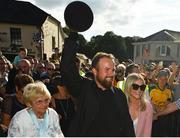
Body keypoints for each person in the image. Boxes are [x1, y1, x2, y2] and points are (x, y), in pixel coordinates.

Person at [60, 32, 135, 136]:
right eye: (107, 69)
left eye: (113, 70)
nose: (111, 73)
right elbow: (67, 69)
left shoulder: (119, 95)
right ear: (95, 71)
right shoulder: (84, 88)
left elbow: (127, 126)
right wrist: (73, 36)